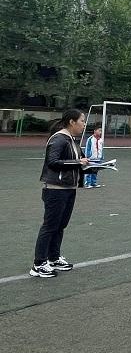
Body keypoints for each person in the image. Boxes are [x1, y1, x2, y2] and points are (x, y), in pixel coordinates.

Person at [30, 109, 91, 278]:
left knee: (60, 225)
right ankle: (39, 264)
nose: (84, 124)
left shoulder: (72, 139)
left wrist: (88, 165)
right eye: (82, 121)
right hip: (55, 190)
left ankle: (53, 258)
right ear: (72, 122)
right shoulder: (59, 139)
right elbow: (53, 162)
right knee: (50, 226)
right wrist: (78, 162)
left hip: (69, 188)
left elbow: (78, 162)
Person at [83, 124, 103, 188]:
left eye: (101, 131)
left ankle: (93, 182)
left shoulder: (101, 140)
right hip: (91, 158)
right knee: (89, 171)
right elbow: (87, 148)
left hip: (98, 158)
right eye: (99, 130)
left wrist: (101, 156)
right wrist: (87, 157)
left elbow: (101, 149)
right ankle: (87, 183)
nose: (100, 132)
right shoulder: (90, 139)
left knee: (95, 171)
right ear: (95, 131)